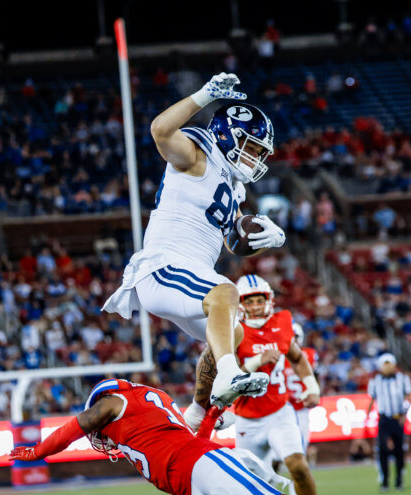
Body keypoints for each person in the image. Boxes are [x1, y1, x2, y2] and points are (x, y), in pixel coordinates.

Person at [102, 73, 286, 423]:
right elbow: (160, 130)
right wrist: (204, 95)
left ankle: (200, 411)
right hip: (162, 266)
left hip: (187, 272)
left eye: (260, 152)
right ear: (228, 136)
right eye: (251, 147)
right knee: (225, 293)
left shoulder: (233, 186)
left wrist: (267, 236)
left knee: (234, 331)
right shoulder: (198, 155)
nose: (255, 158)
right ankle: (229, 376)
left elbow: (235, 241)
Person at [10, 378, 293, 495]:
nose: (101, 436)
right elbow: (190, 441)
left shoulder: (114, 402)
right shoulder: (151, 407)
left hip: (198, 465)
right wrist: (210, 419)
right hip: (189, 479)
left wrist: (38, 451)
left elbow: (75, 426)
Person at [232, 274, 320, 495]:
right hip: (247, 420)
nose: (255, 306)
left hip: (280, 413)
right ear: (239, 304)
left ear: (269, 301)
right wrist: (256, 361)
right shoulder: (233, 332)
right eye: (249, 301)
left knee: (298, 467)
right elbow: (228, 378)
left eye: (259, 300)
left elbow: (298, 358)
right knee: (252, 487)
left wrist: (311, 387)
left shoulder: (279, 326)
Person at [366, 353, 411, 492]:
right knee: (383, 450)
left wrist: (405, 413)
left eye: (389, 364)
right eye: (384, 365)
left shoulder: (403, 379)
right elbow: (371, 400)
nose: (387, 367)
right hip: (384, 418)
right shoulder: (375, 381)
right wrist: (367, 417)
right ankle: (385, 482)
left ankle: (399, 481)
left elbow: (408, 397)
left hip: (398, 417)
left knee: (399, 450)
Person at [285, 323, 319, 462]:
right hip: (284, 406)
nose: (292, 340)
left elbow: (314, 374)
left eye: (295, 337)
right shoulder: (279, 354)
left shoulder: (308, 354)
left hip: (302, 405)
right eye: (290, 337)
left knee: (302, 443)